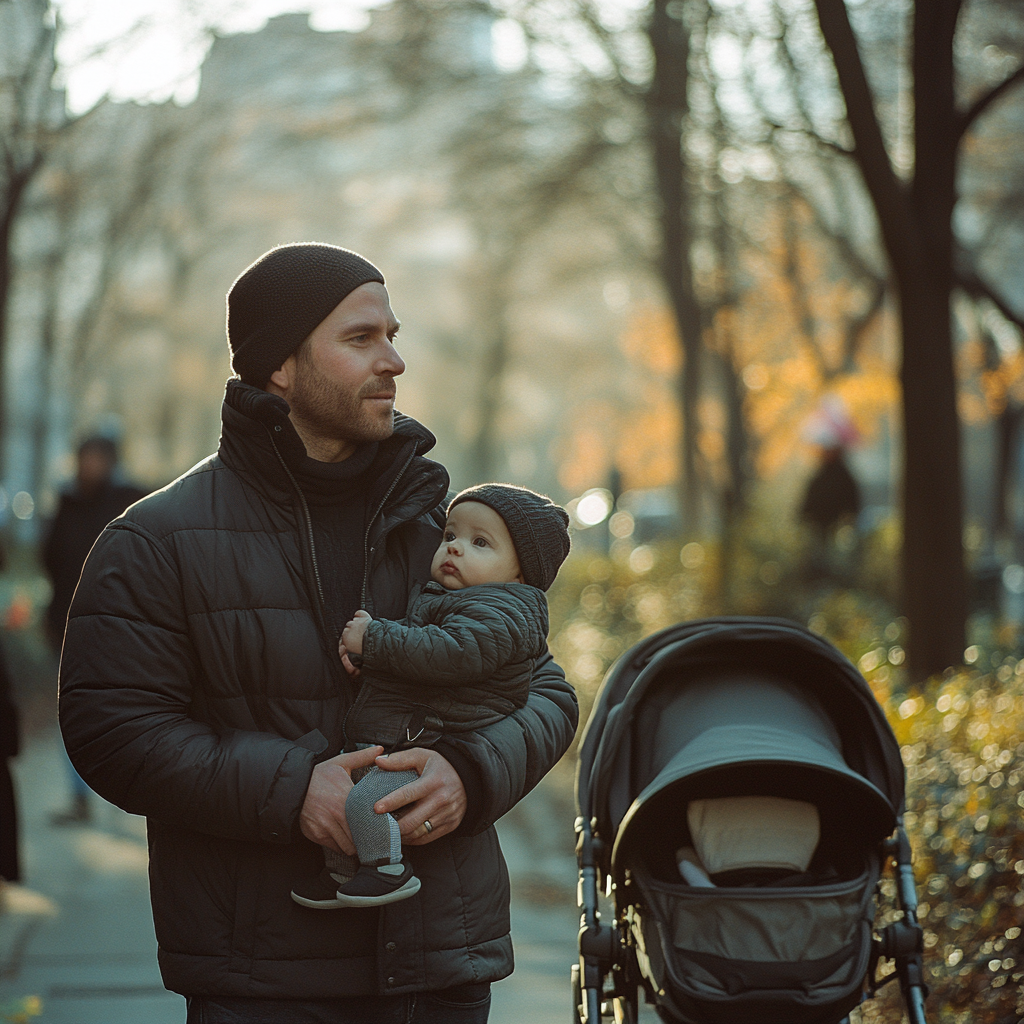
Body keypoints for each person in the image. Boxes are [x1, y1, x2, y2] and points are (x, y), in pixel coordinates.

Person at [57, 242, 578, 1024]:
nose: (394, 361)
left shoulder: (441, 535)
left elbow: (546, 692)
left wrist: (472, 772)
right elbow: (111, 728)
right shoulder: (156, 540)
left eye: (393, 335)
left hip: (437, 971)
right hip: (263, 981)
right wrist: (293, 789)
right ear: (279, 366)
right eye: (360, 339)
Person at [290, 483, 570, 909]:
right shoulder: (457, 599)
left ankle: (387, 870)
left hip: (438, 740)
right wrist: (370, 656)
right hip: (409, 735)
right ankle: (342, 872)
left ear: (521, 573)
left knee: (369, 801)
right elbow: (420, 659)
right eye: (450, 536)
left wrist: (378, 640)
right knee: (350, 798)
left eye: (480, 543)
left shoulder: (503, 611)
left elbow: (451, 653)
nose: (455, 549)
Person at [42, 435, 147, 824]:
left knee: (129, 709)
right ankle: (79, 799)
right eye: (86, 457)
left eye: (99, 458)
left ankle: (133, 791)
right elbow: (49, 559)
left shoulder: (128, 501)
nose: (91, 465)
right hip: (67, 627)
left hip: (122, 628)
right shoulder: (66, 504)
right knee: (73, 713)